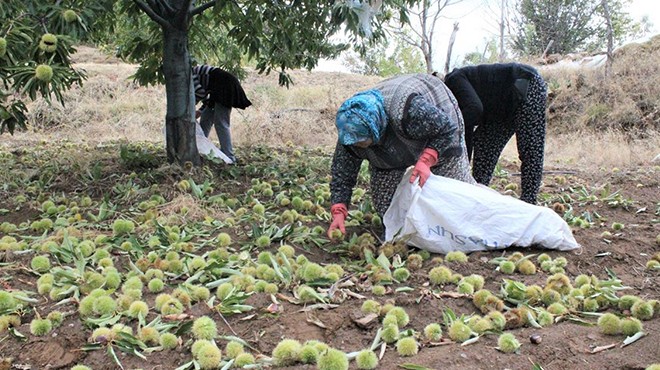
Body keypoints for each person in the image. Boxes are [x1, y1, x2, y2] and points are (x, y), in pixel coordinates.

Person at [327, 73, 476, 238]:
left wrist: (427, 159)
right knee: (387, 208)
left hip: (438, 124)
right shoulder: (349, 131)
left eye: (362, 141)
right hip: (391, 143)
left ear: (375, 128)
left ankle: (466, 230)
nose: (358, 146)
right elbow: (342, 173)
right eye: (354, 142)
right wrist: (339, 210)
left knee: (457, 196)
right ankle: (413, 235)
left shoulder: (408, 110)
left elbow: (447, 129)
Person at [443, 63, 547, 204]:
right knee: (484, 147)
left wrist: (448, 134)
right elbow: (465, 131)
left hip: (525, 85)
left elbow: (473, 110)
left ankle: (529, 202)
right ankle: (476, 199)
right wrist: (462, 166)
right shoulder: (454, 99)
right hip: (498, 111)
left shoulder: (454, 79)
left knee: (531, 149)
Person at [193, 64, 252, 163]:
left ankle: (229, 156)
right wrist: (200, 110)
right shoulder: (194, 74)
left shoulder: (190, 75)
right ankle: (199, 149)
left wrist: (191, 107)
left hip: (225, 87)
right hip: (217, 91)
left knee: (221, 122)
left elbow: (200, 93)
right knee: (206, 118)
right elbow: (206, 96)